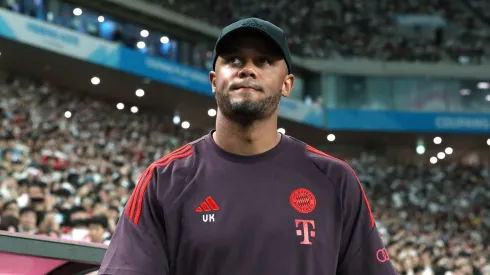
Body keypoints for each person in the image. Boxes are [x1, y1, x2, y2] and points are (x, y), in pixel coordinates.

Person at [99, 18, 398, 275]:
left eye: (264, 61)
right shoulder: (164, 179)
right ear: (214, 80)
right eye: (234, 60)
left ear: (287, 84)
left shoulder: (336, 180)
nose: (248, 70)